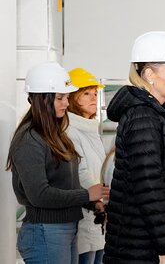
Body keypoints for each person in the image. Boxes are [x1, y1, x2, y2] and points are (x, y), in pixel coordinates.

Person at [103, 31, 165, 264]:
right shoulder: (143, 118)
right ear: (149, 75)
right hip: (144, 251)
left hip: (152, 246)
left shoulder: (158, 116)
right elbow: (150, 189)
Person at [8, 61, 109, 264]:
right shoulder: (29, 139)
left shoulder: (55, 135)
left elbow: (65, 183)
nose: (66, 103)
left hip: (65, 229)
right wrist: (86, 194)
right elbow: (39, 195)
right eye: (60, 98)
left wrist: (92, 201)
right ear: (42, 99)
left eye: (66, 97)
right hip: (46, 232)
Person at [66, 67, 107, 264]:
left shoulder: (90, 127)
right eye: (86, 93)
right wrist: (96, 200)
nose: (93, 98)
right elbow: (80, 171)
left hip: (99, 209)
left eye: (95, 93)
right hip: (87, 209)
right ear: (73, 97)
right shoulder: (70, 129)